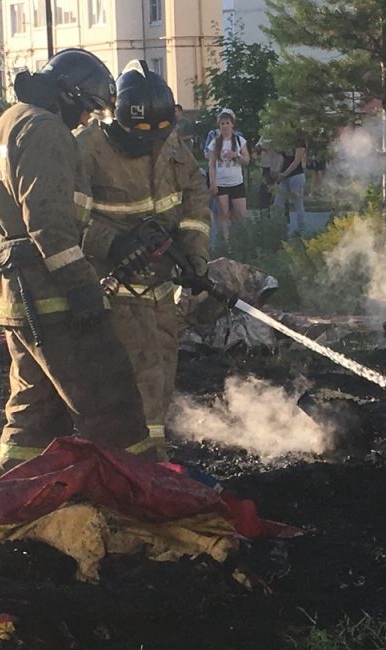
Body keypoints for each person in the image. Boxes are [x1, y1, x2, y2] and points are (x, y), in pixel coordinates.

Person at [0, 47, 151, 478]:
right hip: (54, 301)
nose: (87, 120)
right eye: (87, 109)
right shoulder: (45, 129)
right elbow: (49, 224)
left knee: (35, 410)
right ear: (68, 95)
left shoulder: (4, 126)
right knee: (110, 400)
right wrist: (81, 287)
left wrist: (1, 282)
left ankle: (14, 498)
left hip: (16, 300)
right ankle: (143, 493)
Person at [76, 61, 211, 459]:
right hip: (111, 288)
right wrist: (112, 244)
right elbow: (61, 219)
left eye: (160, 134)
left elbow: (194, 200)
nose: (150, 145)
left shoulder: (171, 146)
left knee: (161, 376)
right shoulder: (87, 149)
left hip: (160, 288)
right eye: (140, 137)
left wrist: (194, 255)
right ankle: (137, 465)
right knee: (132, 379)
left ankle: (150, 460)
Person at [206, 107, 249, 240]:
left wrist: (236, 155)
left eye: (227, 123)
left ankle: (242, 240)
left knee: (241, 214)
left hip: (236, 182)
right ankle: (226, 242)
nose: (225, 126)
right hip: (221, 182)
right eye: (222, 123)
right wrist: (213, 183)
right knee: (223, 214)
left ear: (232, 124)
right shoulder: (215, 142)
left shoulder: (239, 140)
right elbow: (211, 164)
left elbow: (247, 160)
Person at [273, 141, 307, 235]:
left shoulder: (299, 143)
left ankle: (301, 230)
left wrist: (285, 174)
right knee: (277, 204)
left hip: (296, 176)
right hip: (284, 177)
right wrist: (279, 172)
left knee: (298, 204)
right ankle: (277, 229)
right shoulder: (286, 141)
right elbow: (283, 159)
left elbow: (296, 161)